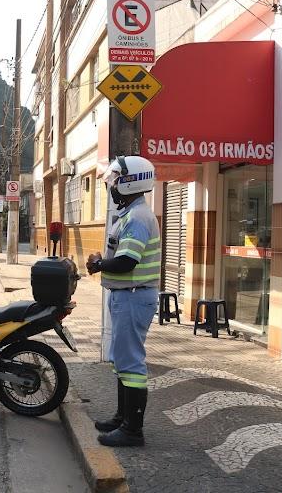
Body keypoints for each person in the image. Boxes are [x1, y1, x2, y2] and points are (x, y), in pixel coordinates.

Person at [86, 155, 161, 448]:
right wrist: (102, 263)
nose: (111, 188)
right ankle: (122, 417)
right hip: (126, 296)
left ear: (131, 183)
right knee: (122, 362)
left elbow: (127, 261)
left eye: (115, 182)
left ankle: (133, 430)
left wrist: (101, 264)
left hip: (133, 296)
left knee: (131, 364)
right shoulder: (130, 214)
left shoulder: (138, 218)